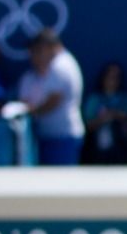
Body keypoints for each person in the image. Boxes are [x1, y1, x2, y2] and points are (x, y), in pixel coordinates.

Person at [17, 30, 85, 165]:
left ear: (47, 47)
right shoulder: (62, 63)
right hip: (53, 136)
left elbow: (54, 100)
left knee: (62, 183)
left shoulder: (59, 66)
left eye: (38, 50)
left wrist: (31, 111)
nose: (37, 56)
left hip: (62, 137)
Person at [83, 62, 127, 164]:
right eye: (109, 77)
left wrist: (117, 116)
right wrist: (104, 118)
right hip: (97, 150)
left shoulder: (125, 100)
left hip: (120, 151)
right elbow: (88, 125)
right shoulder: (94, 100)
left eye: (116, 77)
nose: (112, 81)